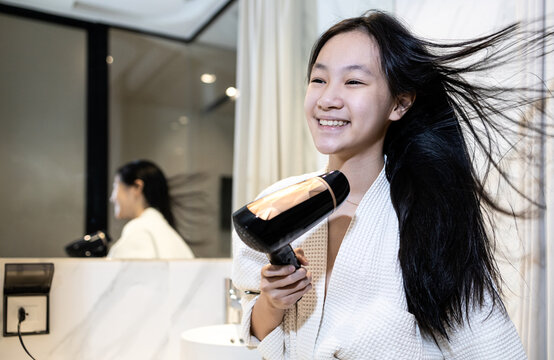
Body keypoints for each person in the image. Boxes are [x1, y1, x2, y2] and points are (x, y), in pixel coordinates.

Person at [232, 10, 551, 359]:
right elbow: (256, 332)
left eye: (353, 82)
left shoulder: (428, 218)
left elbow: (494, 350)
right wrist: (273, 302)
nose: (327, 99)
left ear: (399, 103)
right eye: (318, 80)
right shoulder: (278, 204)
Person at [107, 160, 195, 259]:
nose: (112, 198)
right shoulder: (165, 233)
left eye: (116, 186)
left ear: (137, 187)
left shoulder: (141, 230)